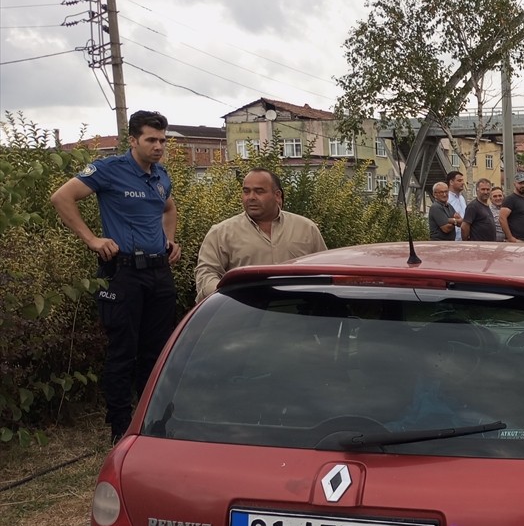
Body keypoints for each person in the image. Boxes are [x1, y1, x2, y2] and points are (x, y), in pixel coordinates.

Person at [50, 109, 182, 444]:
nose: (158, 146)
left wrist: (169, 239)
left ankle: (153, 424)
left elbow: (168, 208)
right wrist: (92, 239)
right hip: (123, 272)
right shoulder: (110, 169)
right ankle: (121, 429)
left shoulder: (160, 175)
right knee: (123, 350)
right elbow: (61, 197)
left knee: (159, 350)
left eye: (162, 140)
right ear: (133, 140)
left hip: (158, 271)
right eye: (151, 140)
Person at [194, 168, 327, 301]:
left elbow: (325, 271)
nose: (251, 197)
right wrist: (229, 295)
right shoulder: (221, 233)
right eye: (246, 191)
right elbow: (206, 274)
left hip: (299, 313)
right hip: (244, 313)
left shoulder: (306, 228)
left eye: (259, 191)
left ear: (277, 195)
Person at [500, 172, 524, 243]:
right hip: (516, 241)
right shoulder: (510, 199)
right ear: (514, 184)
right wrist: (510, 238)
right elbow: (502, 218)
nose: (523, 185)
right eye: (520, 183)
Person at [461, 178, 497, 242]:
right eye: (483, 189)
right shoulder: (473, 206)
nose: (486, 192)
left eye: (488, 189)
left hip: (489, 246)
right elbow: (464, 227)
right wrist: (466, 242)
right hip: (478, 246)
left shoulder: (486, 206)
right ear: (477, 190)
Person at [446, 171, 468, 241]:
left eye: (463, 181)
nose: (462, 183)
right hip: (452, 239)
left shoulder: (462, 198)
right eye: (459, 181)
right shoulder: (447, 199)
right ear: (451, 182)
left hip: (464, 238)